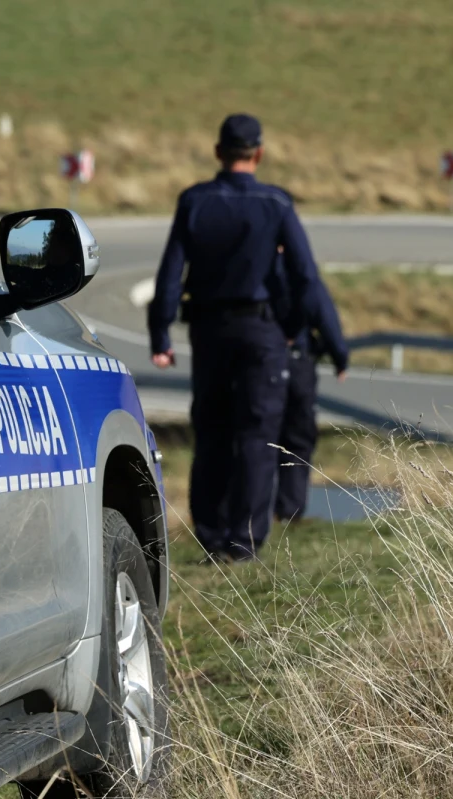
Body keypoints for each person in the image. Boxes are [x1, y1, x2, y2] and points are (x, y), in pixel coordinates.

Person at [148, 113, 344, 562]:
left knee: (212, 430)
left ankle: (211, 534)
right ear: (259, 154)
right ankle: (244, 541)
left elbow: (171, 273)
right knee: (258, 435)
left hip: (209, 331)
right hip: (262, 332)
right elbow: (305, 275)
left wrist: (161, 334)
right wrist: (292, 328)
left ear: (218, 152)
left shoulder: (194, 201)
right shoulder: (276, 203)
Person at [270, 246, 349, 522]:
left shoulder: (250, 263)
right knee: (297, 438)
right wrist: (339, 357)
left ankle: (253, 510)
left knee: (256, 435)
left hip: (256, 361)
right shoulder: (300, 271)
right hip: (296, 363)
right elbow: (324, 315)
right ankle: (289, 511)